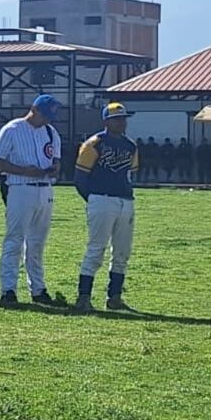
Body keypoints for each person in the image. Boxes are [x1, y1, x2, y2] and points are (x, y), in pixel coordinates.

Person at [0, 94, 64, 305]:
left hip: (45, 189)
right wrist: (24, 171)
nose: (48, 119)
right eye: (45, 114)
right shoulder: (12, 129)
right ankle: (8, 289)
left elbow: (56, 158)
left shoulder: (51, 132)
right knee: (14, 239)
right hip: (20, 188)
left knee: (37, 243)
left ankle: (38, 289)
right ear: (34, 109)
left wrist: (54, 169)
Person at [75, 103, 140, 313]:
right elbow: (80, 178)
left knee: (122, 252)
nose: (122, 122)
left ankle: (115, 296)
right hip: (101, 199)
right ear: (106, 121)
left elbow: (130, 173)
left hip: (125, 200)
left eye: (124, 118)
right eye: (117, 118)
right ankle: (84, 296)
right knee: (96, 249)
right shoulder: (94, 143)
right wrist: (93, 199)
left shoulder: (131, 145)